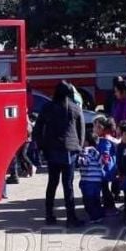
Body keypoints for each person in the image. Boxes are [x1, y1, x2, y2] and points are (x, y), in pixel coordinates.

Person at [32, 80, 85, 227]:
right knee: (68, 185)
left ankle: (49, 215)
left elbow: (38, 128)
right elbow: (81, 130)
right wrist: (79, 147)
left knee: (52, 184)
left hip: (52, 150)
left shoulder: (47, 108)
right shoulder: (75, 108)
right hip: (69, 151)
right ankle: (71, 217)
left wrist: (41, 146)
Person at [78, 131, 105, 223]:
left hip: (88, 180)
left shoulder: (87, 151)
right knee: (96, 199)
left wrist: (79, 157)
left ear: (86, 142)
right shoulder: (96, 152)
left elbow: (84, 162)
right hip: (97, 180)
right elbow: (101, 162)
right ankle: (99, 214)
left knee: (88, 200)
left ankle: (94, 217)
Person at [95, 116, 119, 212]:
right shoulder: (106, 137)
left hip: (106, 168)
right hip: (107, 166)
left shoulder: (105, 139)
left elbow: (106, 153)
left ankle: (110, 206)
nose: (94, 129)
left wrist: (101, 163)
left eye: (95, 127)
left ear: (101, 127)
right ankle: (108, 205)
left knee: (104, 187)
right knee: (104, 187)